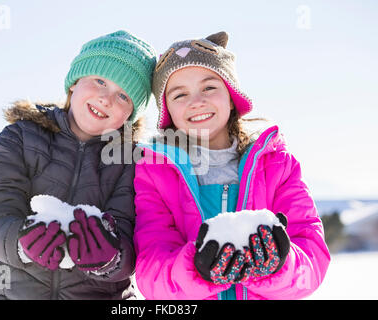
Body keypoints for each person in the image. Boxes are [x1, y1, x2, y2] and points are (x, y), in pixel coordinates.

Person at [133, 31, 330, 300]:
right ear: (167, 112)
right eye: (179, 95)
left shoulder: (277, 165)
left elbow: (313, 260)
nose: (196, 101)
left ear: (231, 95)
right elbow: (151, 273)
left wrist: (280, 265)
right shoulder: (155, 175)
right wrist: (195, 270)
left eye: (209, 87)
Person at [0, 30, 156, 300]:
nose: (106, 98)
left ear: (130, 115)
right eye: (100, 80)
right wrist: (20, 242)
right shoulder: (21, 136)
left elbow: (132, 236)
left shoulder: (130, 161)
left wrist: (110, 257)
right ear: (74, 82)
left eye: (124, 96)